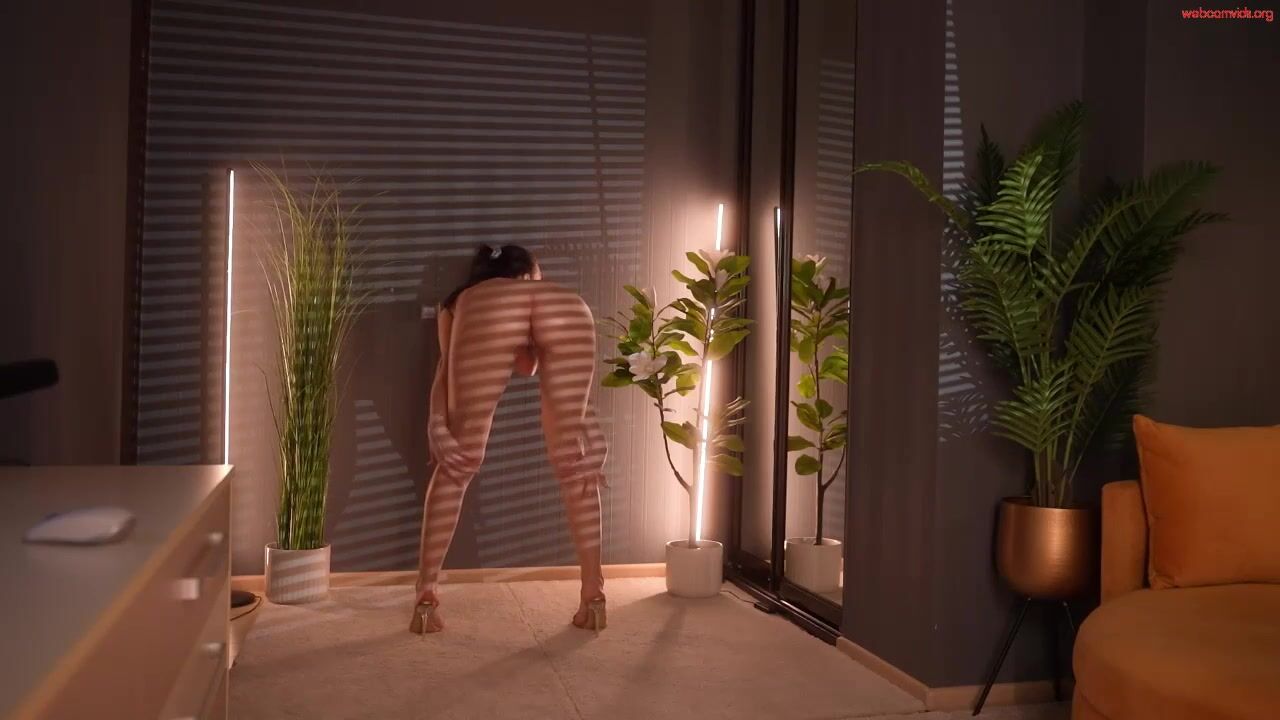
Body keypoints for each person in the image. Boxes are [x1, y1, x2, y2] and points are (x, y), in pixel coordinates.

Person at [413, 244, 608, 635]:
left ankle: (426, 598)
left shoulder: (466, 300)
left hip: (488, 317)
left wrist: (437, 422)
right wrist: (590, 426)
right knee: (574, 465)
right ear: (531, 272)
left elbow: (446, 368)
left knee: (458, 463)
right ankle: (594, 595)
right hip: (568, 311)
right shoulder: (553, 295)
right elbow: (531, 367)